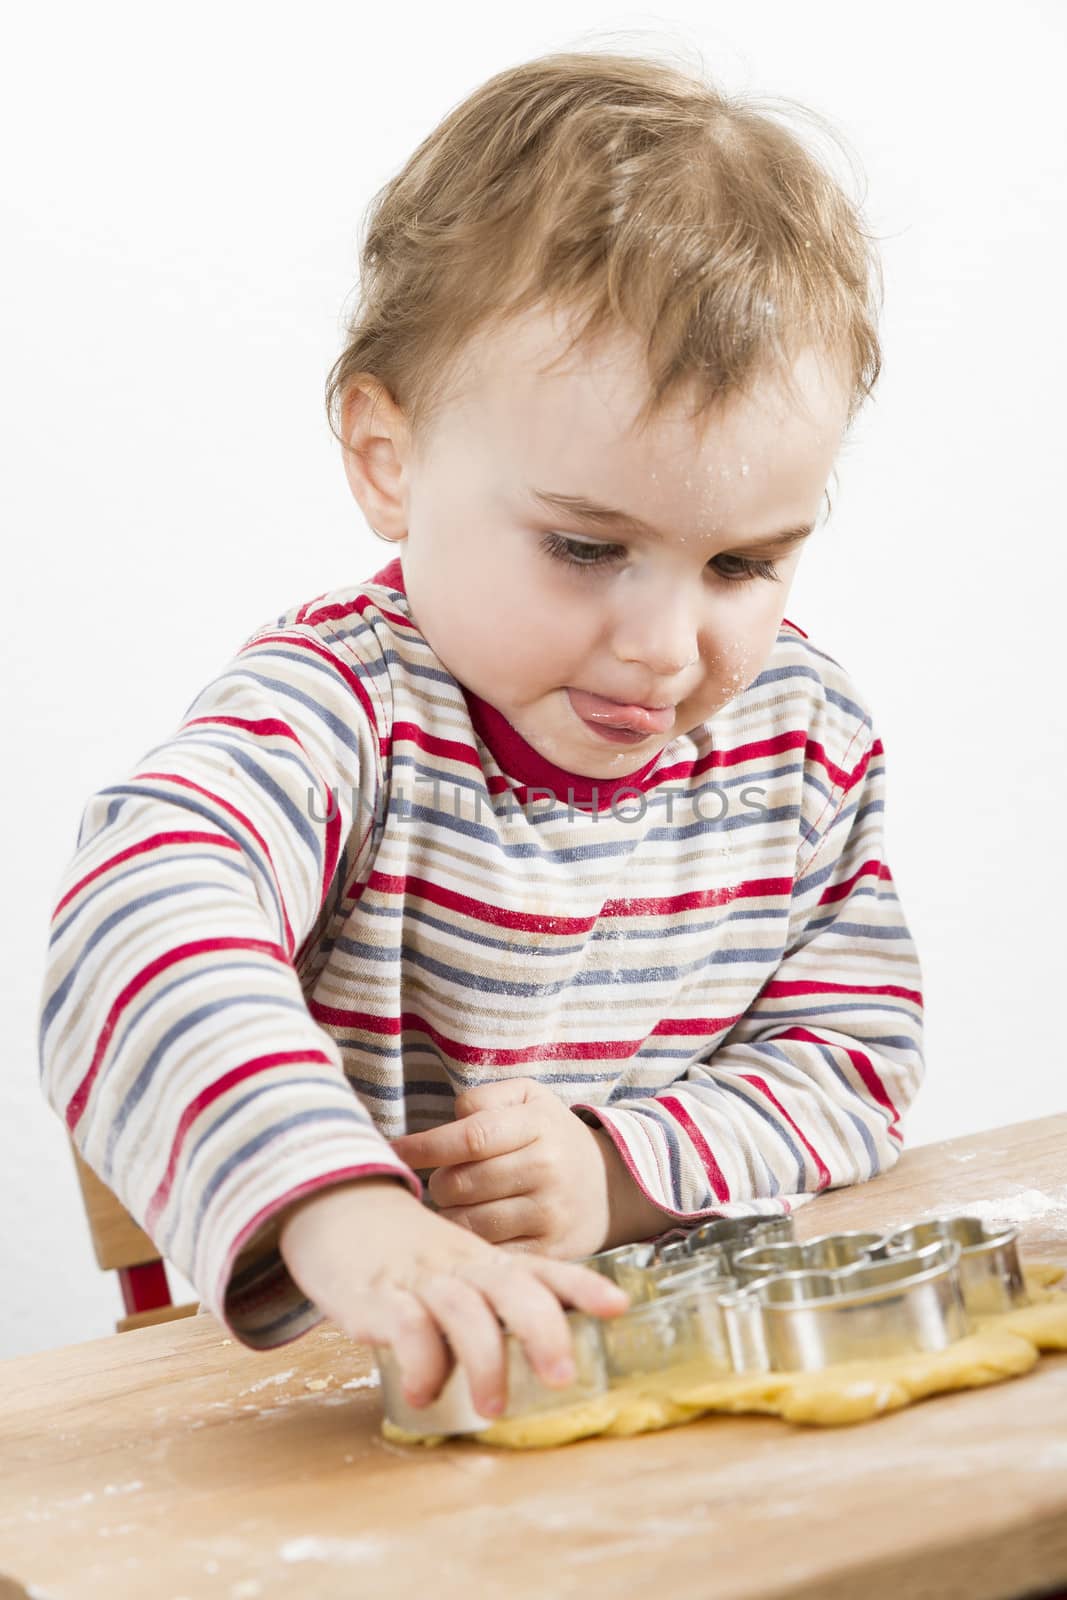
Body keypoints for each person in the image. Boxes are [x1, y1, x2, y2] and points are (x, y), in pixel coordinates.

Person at [37, 48, 924, 1422]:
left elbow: (852, 1064)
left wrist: (620, 1167)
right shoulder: (340, 714)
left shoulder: (798, 740)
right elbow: (136, 914)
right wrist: (348, 1217)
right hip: (321, 1422)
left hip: (641, 1408)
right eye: (586, 544)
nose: (665, 646)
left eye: (744, 565)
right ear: (389, 460)